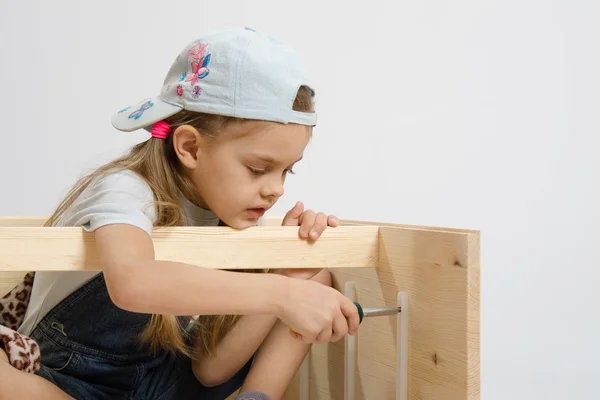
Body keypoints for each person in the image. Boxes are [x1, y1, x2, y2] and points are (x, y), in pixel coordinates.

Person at [0, 27, 360, 399]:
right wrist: (281, 293)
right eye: (257, 169)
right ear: (189, 147)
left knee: (315, 277)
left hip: (159, 382)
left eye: (287, 170)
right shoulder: (125, 189)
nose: (277, 189)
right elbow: (134, 283)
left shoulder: (229, 214)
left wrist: (289, 274)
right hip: (66, 381)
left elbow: (210, 370)